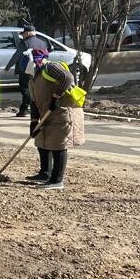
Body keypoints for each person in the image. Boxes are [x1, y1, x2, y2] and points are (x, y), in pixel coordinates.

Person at [26, 52, 85, 190]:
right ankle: (44, 173)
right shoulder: (32, 79)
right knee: (42, 141)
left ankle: (56, 180)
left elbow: (68, 77)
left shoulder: (50, 68)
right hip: (47, 113)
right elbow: (33, 101)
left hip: (63, 111)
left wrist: (55, 97)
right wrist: (34, 121)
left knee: (58, 144)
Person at [5, 24, 43, 117]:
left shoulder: (24, 43)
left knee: (25, 89)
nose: (23, 36)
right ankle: (36, 110)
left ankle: (24, 110)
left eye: (24, 34)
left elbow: (16, 56)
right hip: (38, 69)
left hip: (25, 70)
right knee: (36, 89)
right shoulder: (42, 42)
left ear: (28, 33)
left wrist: (8, 67)